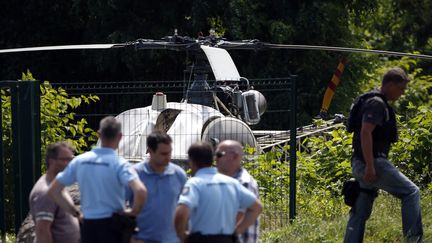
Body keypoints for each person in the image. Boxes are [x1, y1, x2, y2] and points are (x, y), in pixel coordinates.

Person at [344, 68, 423, 242]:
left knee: (360, 210)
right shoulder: (376, 103)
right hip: (371, 163)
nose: (402, 94)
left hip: (359, 163)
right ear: (391, 84)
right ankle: (413, 240)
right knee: (411, 192)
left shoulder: (372, 101)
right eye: (401, 89)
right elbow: (366, 132)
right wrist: (371, 166)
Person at [48, 116, 148, 243]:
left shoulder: (80, 161)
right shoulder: (120, 164)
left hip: (88, 225)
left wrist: (76, 213)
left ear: (99, 134)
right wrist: (133, 212)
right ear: (120, 136)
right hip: (114, 226)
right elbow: (141, 191)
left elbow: (54, 190)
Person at [174, 142, 262, 243]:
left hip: (201, 239)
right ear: (211, 160)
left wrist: (182, 235)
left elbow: (181, 212)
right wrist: (236, 231)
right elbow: (257, 207)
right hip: (226, 239)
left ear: (191, 161)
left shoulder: (194, 183)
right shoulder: (232, 183)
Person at [127, 131, 187, 243]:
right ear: (150, 151)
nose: (168, 157)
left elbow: (185, 209)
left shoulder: (179, 175)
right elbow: (119, 206)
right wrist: (129, 236)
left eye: (170, 153)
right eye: (163, 154)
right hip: (142, 239)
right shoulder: (134, 174)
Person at [29, 142, 80, 243]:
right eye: (65, 159)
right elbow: (42, 230)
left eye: (71, 159)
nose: (70, 164)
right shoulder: (45, 192)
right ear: (51, 161)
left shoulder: (56, 185)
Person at [216, 140, 260, 243]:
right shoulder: (228, 181)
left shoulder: (243, 182)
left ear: (235, 156)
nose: (216, 159)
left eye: (219, 155)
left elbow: (237, 217)